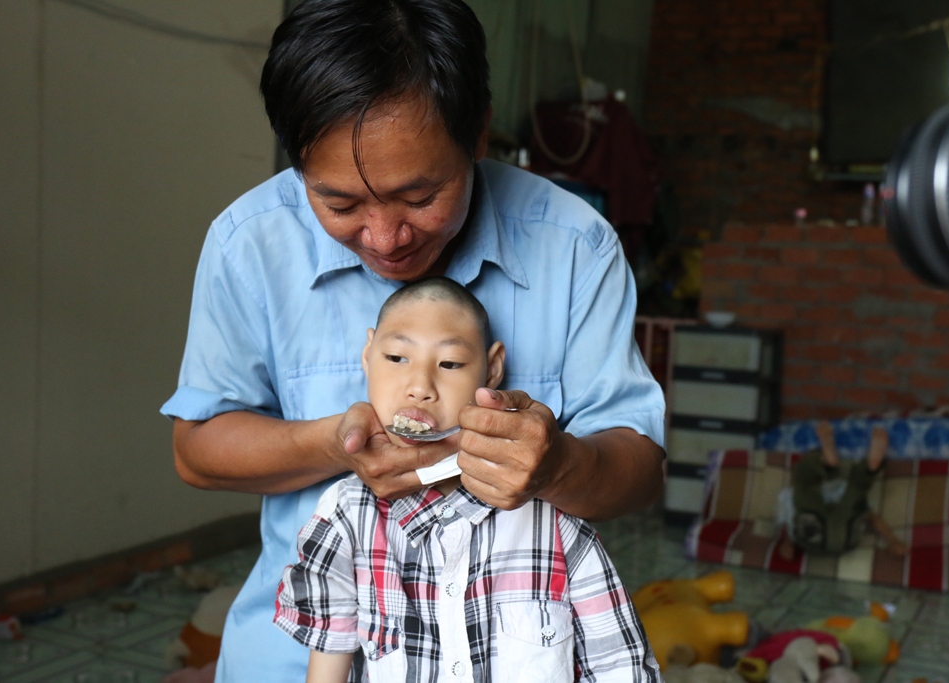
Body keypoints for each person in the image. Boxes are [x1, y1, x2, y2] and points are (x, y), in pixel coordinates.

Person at [161, 1, 666, 680]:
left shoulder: (573, 246)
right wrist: (332, 442)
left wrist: (555, 465)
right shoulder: (249, 244)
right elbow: (196, 450)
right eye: (339, 205)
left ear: (478, 133)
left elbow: (639, 467)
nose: (384, 236)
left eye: (420, 196)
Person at [274, 277, 660, 682]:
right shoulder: (344, 516)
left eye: (450, 364)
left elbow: (621, 666)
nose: (420, 387)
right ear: (368, 354)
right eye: (396, 357)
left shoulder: (554, 523)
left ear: (492, 369)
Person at [776, 421, 907, 561]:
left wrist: (787, 543)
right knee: (857, 489)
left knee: (803, 478)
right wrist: (893, 540)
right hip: (844, 536)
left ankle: (831, 463)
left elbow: (786, 523)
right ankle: (868, 469)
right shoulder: (835, 487)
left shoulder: (793, 494)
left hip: (814, 537)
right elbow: (871, 517)